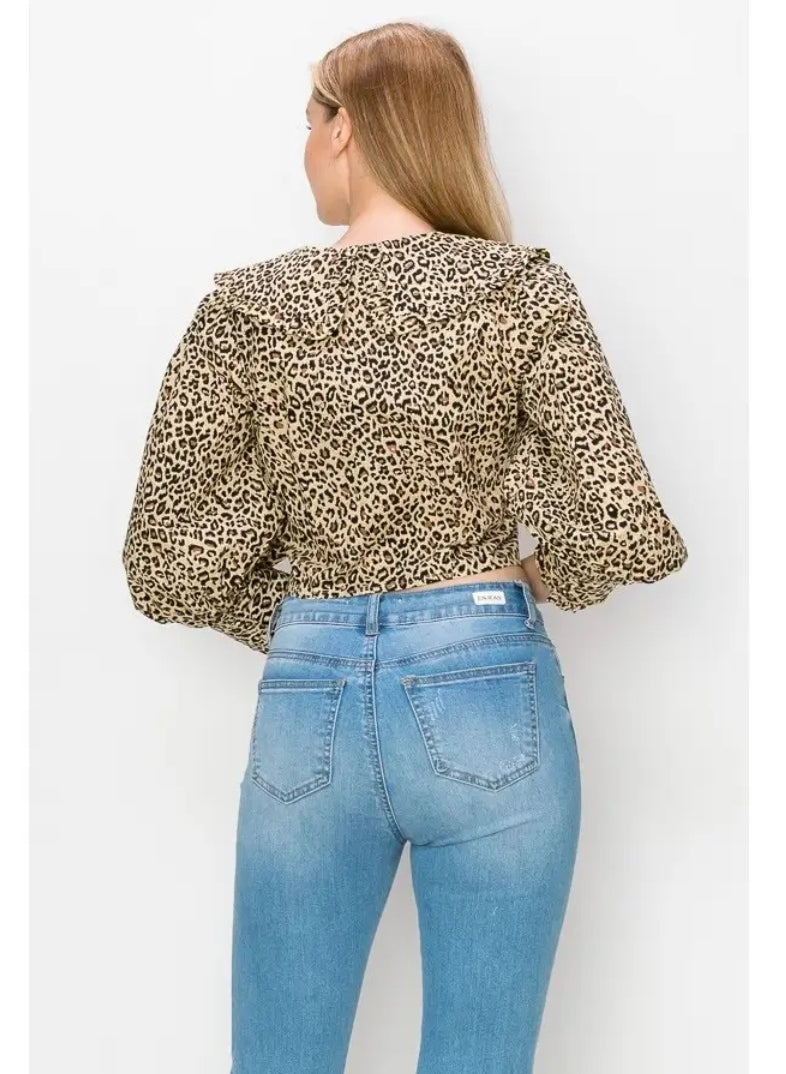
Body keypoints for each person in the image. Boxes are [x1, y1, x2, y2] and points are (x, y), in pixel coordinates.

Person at [121, 20, 688, 1074]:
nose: (304, 147)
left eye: (308, 121)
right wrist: (526, 577)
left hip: (310, 698)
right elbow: (627, 527)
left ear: (345, 129)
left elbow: (162, 566)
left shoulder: (246, 310)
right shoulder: (521, 290)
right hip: (489, 686)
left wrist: (304, 607)